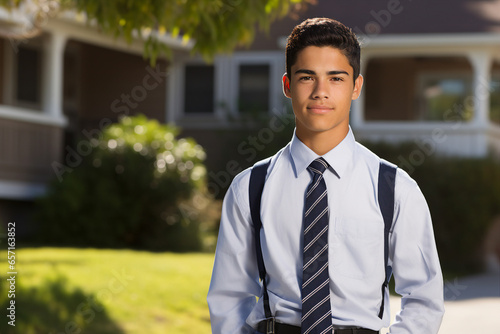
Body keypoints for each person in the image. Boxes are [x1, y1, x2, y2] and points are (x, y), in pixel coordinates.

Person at [207, 17, 444, 334]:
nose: (321, 92)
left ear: (356, 86)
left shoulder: (395, 188)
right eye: (307, 77)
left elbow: (425, 299)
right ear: (287, 86)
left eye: (336, 78)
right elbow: (229, 298)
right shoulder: (250, 187)